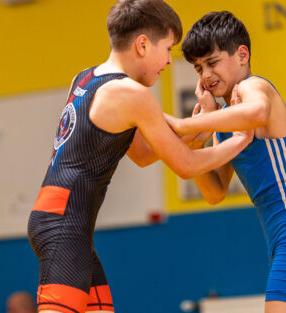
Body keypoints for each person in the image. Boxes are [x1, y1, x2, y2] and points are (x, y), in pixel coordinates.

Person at [27, 1, 253, 313]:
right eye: (169, 49)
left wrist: (202, 126)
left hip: (62, 220)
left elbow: (145, 155)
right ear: (143, 44)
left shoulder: (87, 78)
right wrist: (241, 137)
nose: (169, 62)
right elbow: (186, 166)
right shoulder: (132, 95)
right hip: (65, 225)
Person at [167, 11, 286, 313]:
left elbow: (257, 113)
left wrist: (184, 126)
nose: (205, 75)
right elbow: (215, 192)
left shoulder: (253, 87)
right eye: (198, 67)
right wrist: (201, 136)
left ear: (242, 55)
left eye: (212, 62)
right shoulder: (226, 121)